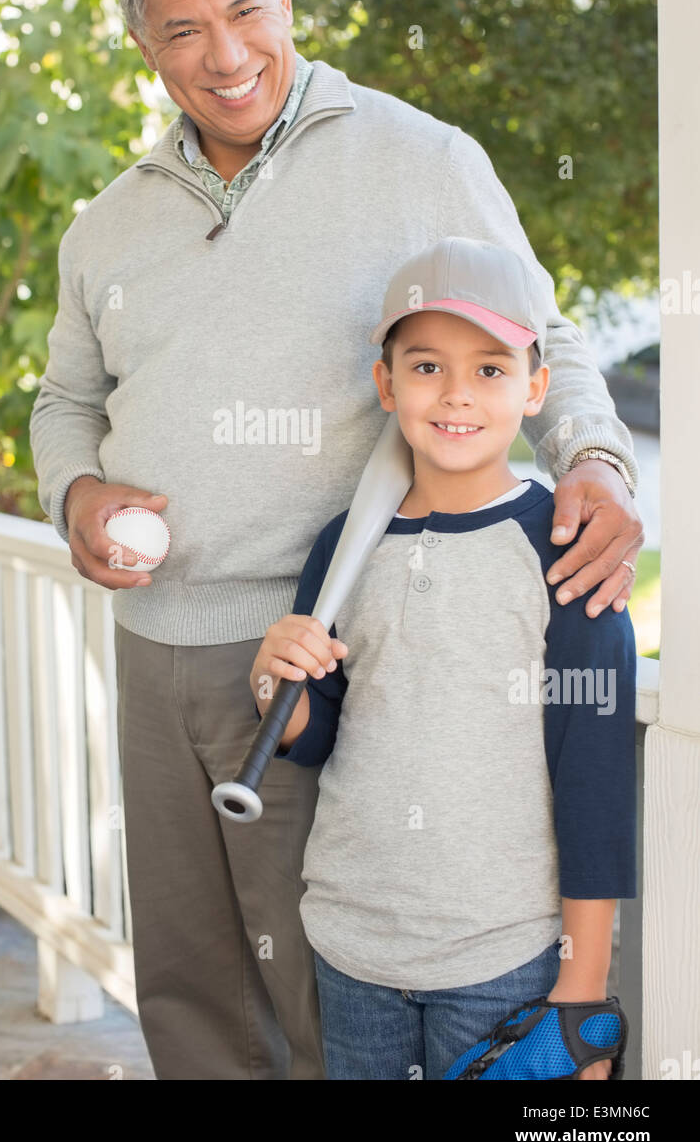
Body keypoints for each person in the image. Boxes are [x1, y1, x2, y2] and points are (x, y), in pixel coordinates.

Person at [28, 0, 643, 1080]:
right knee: (189, 985)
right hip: (152, 644)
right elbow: (64, 404)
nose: (225, 55)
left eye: (245, 11)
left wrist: (597, 462)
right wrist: (74, 495)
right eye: (182, 31)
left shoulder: (419, 159)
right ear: (142, 45)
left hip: (322, 643)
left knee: (318, 1000)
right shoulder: (105, 226)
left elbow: (545, 336)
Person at [250, 236, 637, 1080]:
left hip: (503, 962)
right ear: (386, 384)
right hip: (353, 947)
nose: (457, 393)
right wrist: (275, 687)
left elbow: (596, 782)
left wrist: (583, 993)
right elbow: (320, 735)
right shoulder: (344, 548)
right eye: (426, 367)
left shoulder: (568, 555)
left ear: (537, 389)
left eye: (491, 369)